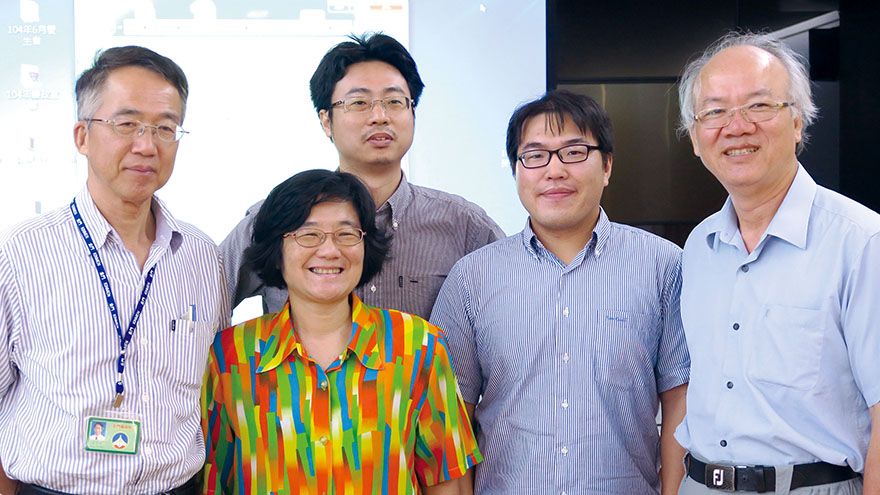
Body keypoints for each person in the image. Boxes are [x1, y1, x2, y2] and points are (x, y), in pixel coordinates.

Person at [430, 90, 690, 494]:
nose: (554, 171)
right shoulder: (472, 278)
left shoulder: (663, 266)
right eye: (534, 156)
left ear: (607, 165)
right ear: (516, 171)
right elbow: (449, 419)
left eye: (573, 152)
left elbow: (680, 400)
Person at [0, 46, 228, 494]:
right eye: (127, 124)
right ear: (82, 136)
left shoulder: (201, 256)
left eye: (165, 128)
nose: (146, 145)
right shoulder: (22, 253)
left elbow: (208, 391)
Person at [674, 32, 879, 495]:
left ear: (798, 122)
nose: (737, 126)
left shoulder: (862, 243)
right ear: (695, 139)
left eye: (759, 106)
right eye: (714, 112)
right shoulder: (700, 247)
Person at [202, 170, 481, 494]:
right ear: (276, 251)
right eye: (308, 234)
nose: (330, 250)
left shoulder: (417, 346)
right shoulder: (232, 357)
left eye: (346, 234)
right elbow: (214, 480)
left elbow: (447, 480)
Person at [220, 33, 504, 320]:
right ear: (326, 121)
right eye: (358, 103)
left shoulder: (465, 226)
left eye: (394, 101)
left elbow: (512, 317)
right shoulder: (274, 218)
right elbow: (205, 305)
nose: (380, 116)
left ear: (413, 113)